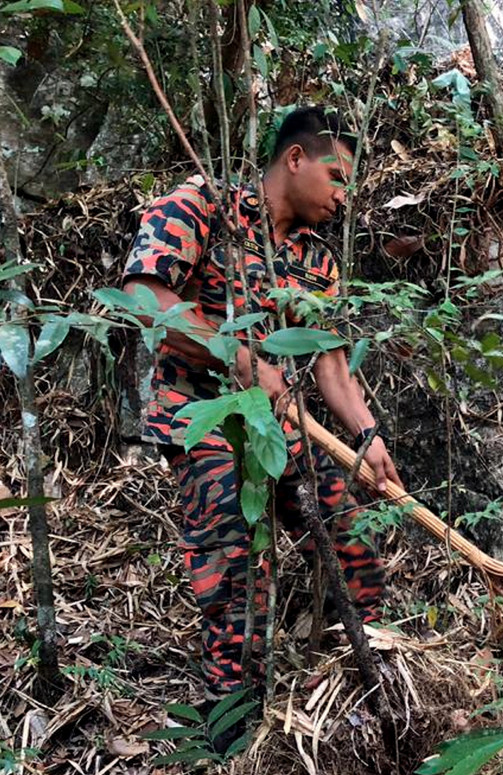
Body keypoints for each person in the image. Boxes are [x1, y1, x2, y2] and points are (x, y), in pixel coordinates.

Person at [121, 105, 400, 702]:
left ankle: (361, 687)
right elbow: (143, 294)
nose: (344, 196)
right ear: (295, 158)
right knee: (240, 565)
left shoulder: (317, 260)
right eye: (337, 177)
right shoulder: (203, 204)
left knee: (353, 538)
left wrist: (367, 436)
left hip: (281, 424)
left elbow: (331, 362)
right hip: (201, 416)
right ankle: (234, 715)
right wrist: (241, 359)